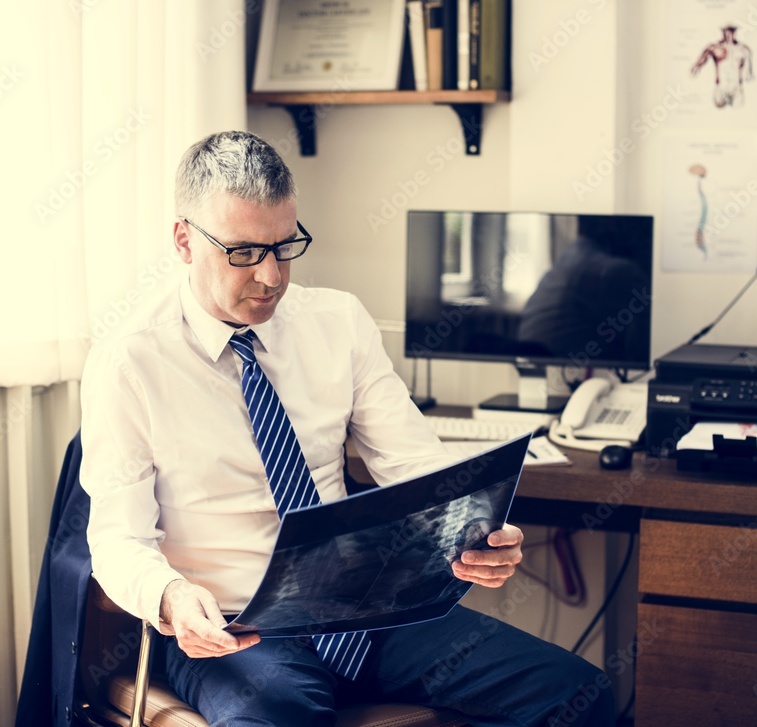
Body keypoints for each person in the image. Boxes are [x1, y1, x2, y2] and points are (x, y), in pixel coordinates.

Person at [79, 130, 614, 726]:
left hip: (362, 610)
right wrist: (172, 599)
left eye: (286, 246)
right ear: (184, 240)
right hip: (231, 627)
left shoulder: (338, 322)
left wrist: (472, 529)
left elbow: (414, 467)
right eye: (244, 252)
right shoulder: (128, 361)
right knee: (282, 714)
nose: (271, 276)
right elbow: (117, 539)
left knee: (577, 694)